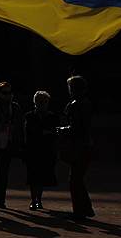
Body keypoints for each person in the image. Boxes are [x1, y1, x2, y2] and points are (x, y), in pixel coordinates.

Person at [58, 75, 95, 219]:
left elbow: (75, 128)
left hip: (78, 146)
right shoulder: (86, 103)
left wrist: (61, 130)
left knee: (75, 180)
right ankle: (86, 208)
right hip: (86, 145)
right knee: (77, 178)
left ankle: (80, 211)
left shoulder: (75, 105)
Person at [0, 82, 23, 209]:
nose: (8, 96)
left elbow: (19, 124)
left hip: (8, 142)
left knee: (3, 173)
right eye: (5, 93)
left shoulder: (15, 107)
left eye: (10, 93)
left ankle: (0, 199)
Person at [23, 90, 58, 210]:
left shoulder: (51, 116)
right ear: (35, 102)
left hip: (45, 151)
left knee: (40, 177)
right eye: (40, 101)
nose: (42, 104)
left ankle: (37, 199)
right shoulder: (30, 116)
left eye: (44, 101)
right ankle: (35, 200)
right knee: (34, 177)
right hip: (34, 150)